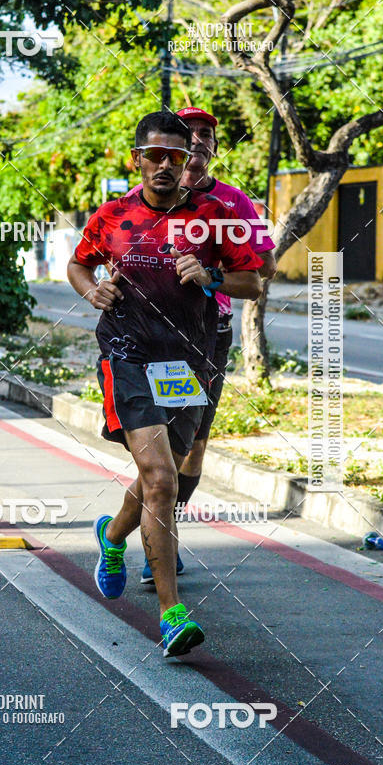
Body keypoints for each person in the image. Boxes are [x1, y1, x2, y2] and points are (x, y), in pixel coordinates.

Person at [67, 110, 263, 657]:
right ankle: (172, 615)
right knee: (159, 478)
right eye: (153, 155)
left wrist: (211, 276)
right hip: (128, 354)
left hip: (186, 362)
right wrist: (92, 291)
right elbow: (78, 264)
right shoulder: (113, 215)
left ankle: (111, 538)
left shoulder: (213, 217)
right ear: (137, 160)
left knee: (164, 479)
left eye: (175, 157)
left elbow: (253, 281)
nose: (164, 166)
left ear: (187, 162)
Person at [128, 107, 277, 584]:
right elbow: (110, 251)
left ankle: (154, 534)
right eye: (186, 135)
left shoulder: (232, 203)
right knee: (162, 456)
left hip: (210, 334)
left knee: (192, 447)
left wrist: (212, 274)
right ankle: (159, 549)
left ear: (213, 146)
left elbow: (263, 269)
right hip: (150, 337)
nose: (194, 143)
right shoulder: (139, 198)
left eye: (204, 135)